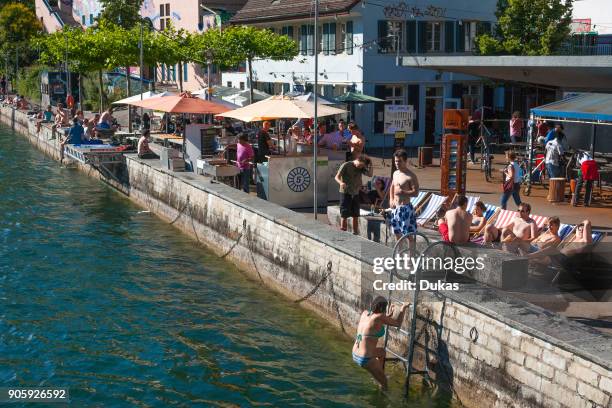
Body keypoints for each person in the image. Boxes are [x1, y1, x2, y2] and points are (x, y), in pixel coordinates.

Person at [352, 296, 410, 390]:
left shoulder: (365, 313)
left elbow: (376, 322)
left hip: (355, 353)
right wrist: (403, 308)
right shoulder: (379, 317)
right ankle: (382, 396)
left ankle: (379, 374)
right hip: (365, 358)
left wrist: (388, 315)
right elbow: (397, 323)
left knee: (382, 352)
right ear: (383, 308)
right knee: (384, 385)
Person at [335, 154, 373, 234]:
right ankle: (343, 231)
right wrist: (341, 183)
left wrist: (371, 164)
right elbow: (336, 177)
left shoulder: (362, 167)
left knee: (356, 215)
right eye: (360, 165)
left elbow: (370, 175)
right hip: (345, 192)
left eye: (362, 166)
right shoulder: (346, 165)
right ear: (358, 160)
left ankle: (355, 232)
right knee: (344, 214)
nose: (360, 167)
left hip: (355, 193)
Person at [389, 149, 420, 240]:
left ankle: (411, 254)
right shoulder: (395, 173)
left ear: (405, 161)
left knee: (408, 236)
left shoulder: (410, 176)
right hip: (396, 208)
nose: (397, 163)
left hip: (405, 208)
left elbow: (416, 193)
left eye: (399, 161)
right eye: (395, 161)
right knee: (397, 233)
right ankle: (399, 253)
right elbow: (392, 186)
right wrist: (391, 199)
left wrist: (403, 192)